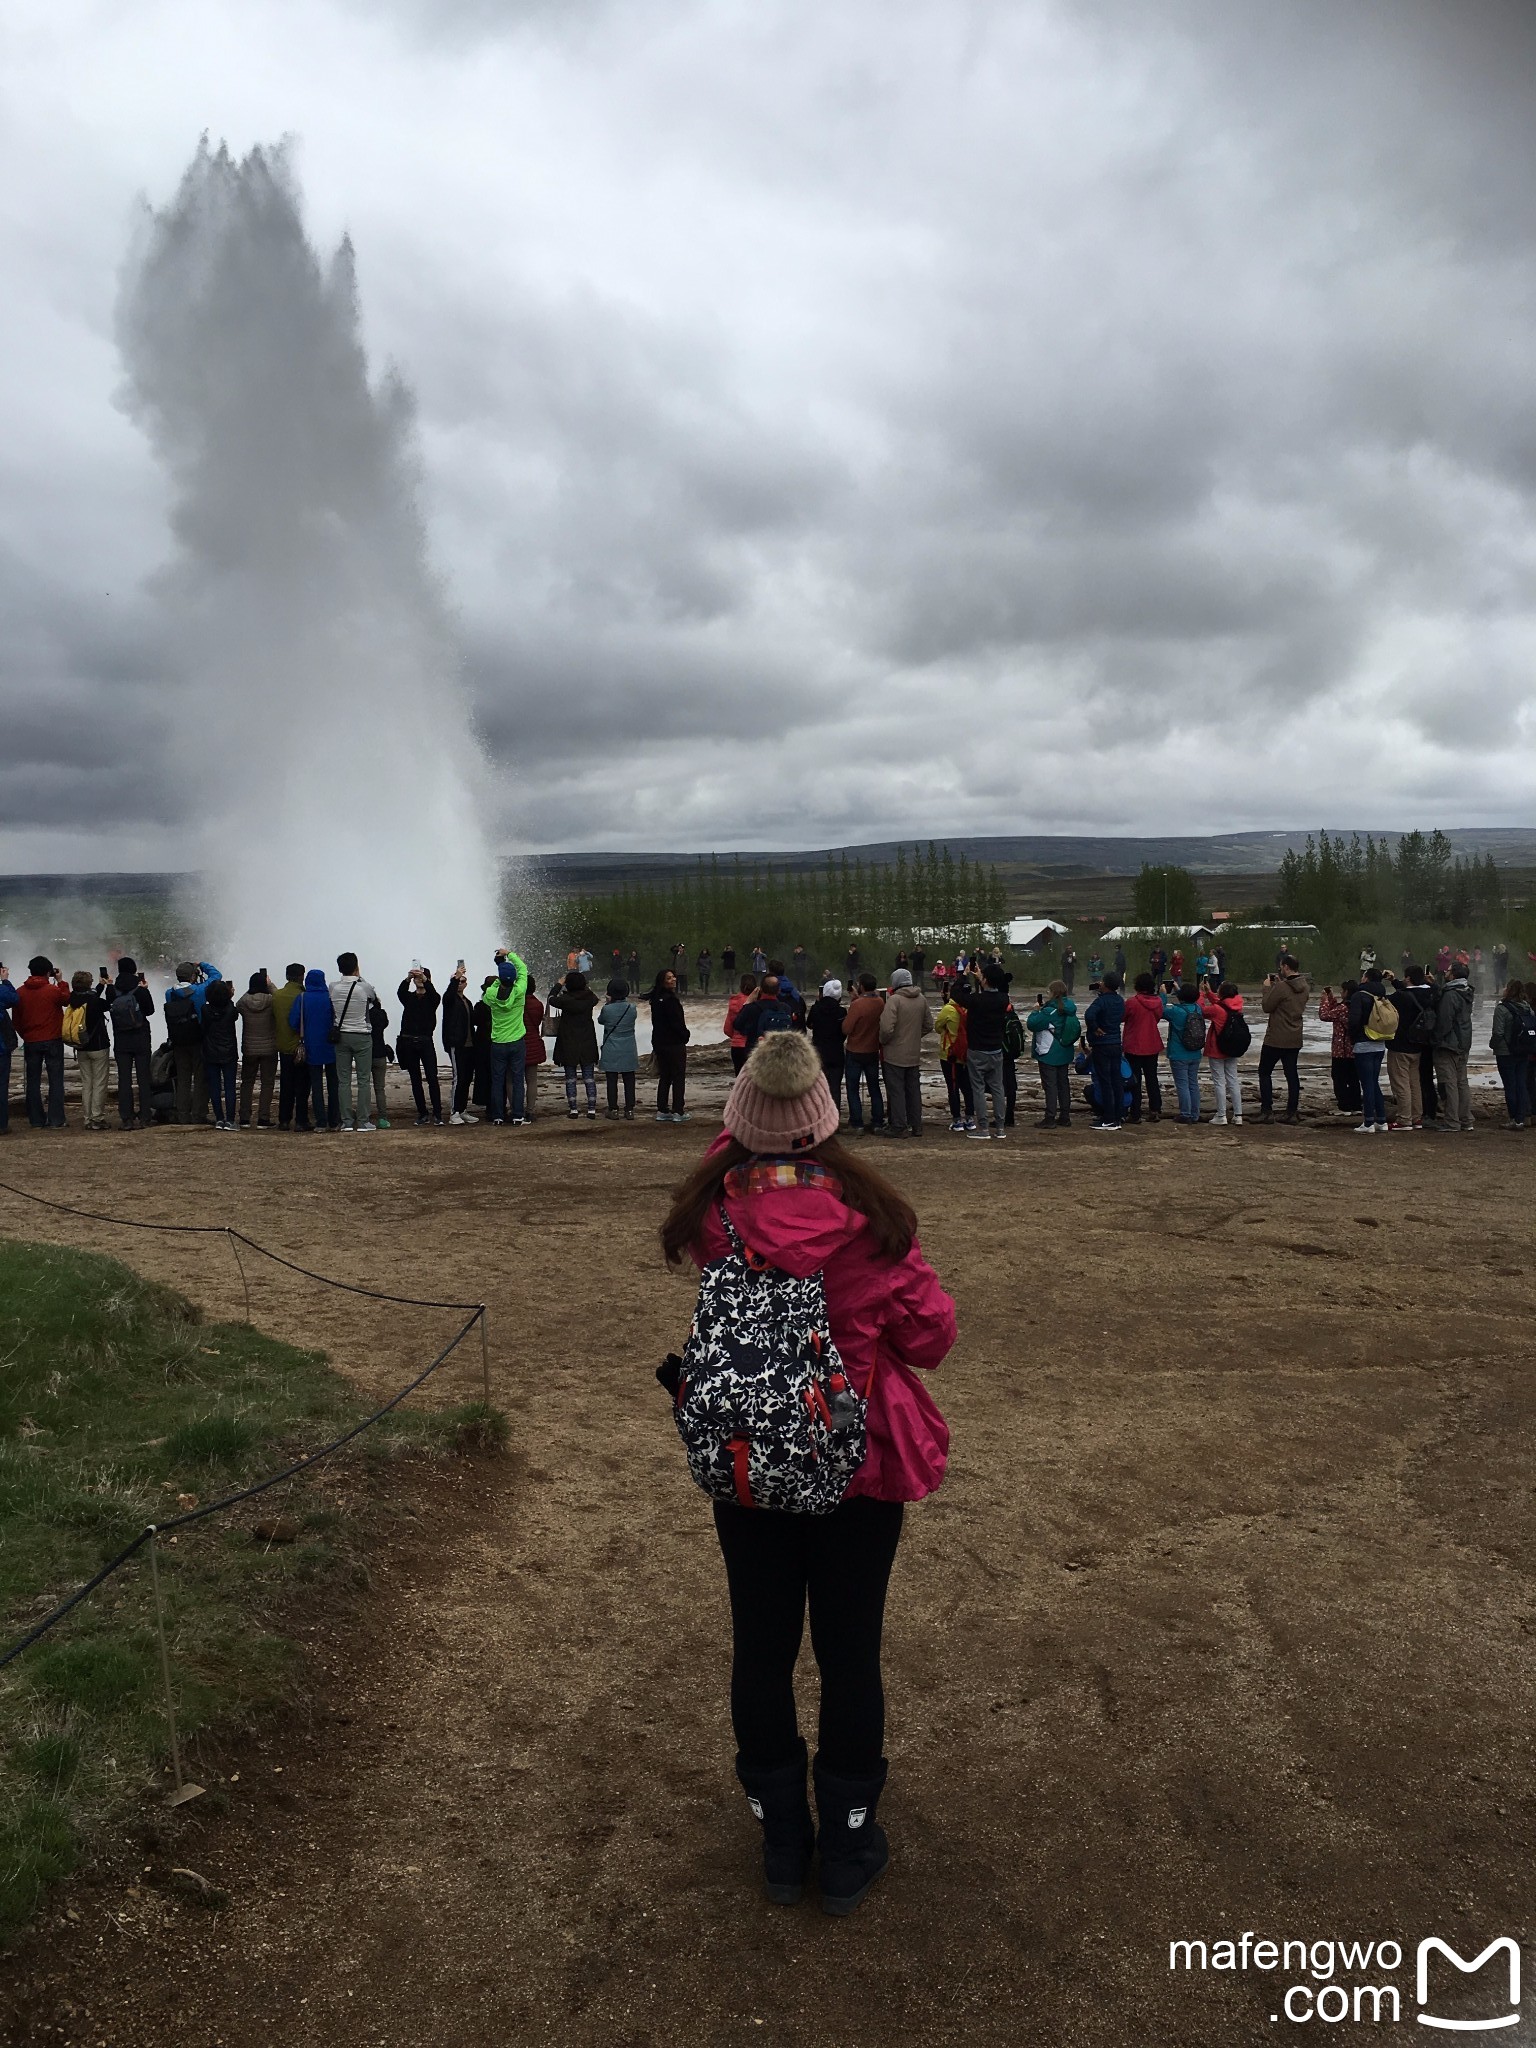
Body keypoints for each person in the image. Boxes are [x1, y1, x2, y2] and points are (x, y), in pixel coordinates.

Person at [659, 1031, 954, 1914]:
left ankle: (783, 1839)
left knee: (762, 1644)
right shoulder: (871, 1225)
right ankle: (852, 1840)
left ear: (740, 1126)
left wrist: (749, 1135)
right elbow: (933, 1340)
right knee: (849, 1649)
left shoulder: (716, 1218)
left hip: (748, 1461)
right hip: (854, 1466)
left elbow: (735, 1154)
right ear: (824, 1121)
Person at [953, 964, 1008, 1141]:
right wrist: (981, 978)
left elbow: (956, 995)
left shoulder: (976, 1000)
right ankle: (1000, 1128)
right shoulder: (1003, 999)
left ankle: (983, 1128)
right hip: (996, 1049)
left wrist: (964, 976)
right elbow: (999, 987)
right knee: (998, 1088)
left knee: (978, 1089)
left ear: (985, 980)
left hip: (977, 1050)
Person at [15, 957, 71, 1129]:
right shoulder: (52, 990)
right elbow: (66, 1000)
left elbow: (16, 1020)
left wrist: (25, 1035)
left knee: (32, 1081)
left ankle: (36, 1119)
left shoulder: (20, 992)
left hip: (31, 1040)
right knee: (55, 1080)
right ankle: (56, 1119)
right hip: (52, 1039)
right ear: (48, 972)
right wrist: (61, 981)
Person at [164, 959, 222, 1125]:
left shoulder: (170, 993)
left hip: (178, 1040)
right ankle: (199, 1114)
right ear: (192, 977)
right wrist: (202, 964)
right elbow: (217, 976)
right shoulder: (200, 990)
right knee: (200, 1078)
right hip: (198, 1038)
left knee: (182, 1079)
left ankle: (182, 1114)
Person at [879, 967, 934, 1139]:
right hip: (913, 1054)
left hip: (894, 1054)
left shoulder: (894, 1000)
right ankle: (916, 1126)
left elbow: (886, 1029)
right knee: (913, 1091)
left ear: (895, 982)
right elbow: (928, 1025)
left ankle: (899, 1126)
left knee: (896, 1091)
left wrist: (883, 1041)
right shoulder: (922, 999)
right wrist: (915, 1037)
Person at [1256, 953, 1310, 1124]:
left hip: (1276, 1037)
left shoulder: (1281, 988)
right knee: (1291, 1074)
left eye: (1281, 966)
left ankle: (1266, 1111)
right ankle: (1292, 1111)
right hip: (1294, 1036)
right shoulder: (1305, 986)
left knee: (1264, 1072)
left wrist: (1267, 988)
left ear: (1286, 967)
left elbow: (1267, 1006)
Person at [328, 953, 378, 1132]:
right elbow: (374, 999)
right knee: (364, 1079)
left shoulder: (333, 987)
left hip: (341, 1036)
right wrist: (359, 976)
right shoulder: (363, 987)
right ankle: (363, 1121)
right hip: (362, 1035)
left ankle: (347, 1121)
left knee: (344, 1081)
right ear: (356, 967)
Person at [105, 957, 156, 1130]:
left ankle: (126, 1118)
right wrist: (145, 990)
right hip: (141, 1037)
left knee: (124, 1079)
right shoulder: (139, 990)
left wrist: (107, 985)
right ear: (135, 970)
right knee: (143, 1078)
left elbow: (108, 1007)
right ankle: (145, 1117)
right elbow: (150, 1011)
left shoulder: (112, 990)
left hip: (121, 1039)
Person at [484, 948, 531, 1126]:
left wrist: (499, 974)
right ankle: (518, 1115)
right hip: (517, 1041)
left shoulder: (491, 994)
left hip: (498, 1042)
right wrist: (509, 953)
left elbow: (492, 989)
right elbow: (523, 970)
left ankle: (498, 1115)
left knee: (497, 1080)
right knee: (518, 1079)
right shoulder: (519, 991)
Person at [547, 969, 600, 1119]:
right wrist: (584, 985)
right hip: (587, 1041)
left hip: (568, 1041)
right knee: (589, 1078)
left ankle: (574, 1109)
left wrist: (558, 984)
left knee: (570, 1078)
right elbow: (594, 996)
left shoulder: (564, 1001)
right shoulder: (590, 999)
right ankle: (591, 1109)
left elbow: (551, 998)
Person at [1384, 965, 1432, 1131]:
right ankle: (1416, 1117)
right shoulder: (1428, 993)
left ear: (1408, 978)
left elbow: (1384, 1002)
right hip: (1418, 1045)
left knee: (1401, 1083)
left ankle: (1404, 1119)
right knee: (1414, 1082)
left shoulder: (1401, 996)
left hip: (1400, 1045)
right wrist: (1394, 981)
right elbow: (1410, 992)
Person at [289, 970, 339, 1130]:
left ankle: (321, 1122)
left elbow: (293, 1021)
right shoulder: (329, 998)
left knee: (316, 1086)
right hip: (330, 1045)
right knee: (333, 1085)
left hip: (311, 1045)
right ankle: (334, 1121)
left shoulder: (302, 998)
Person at [1026, 980, 1078, 1128]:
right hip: (1064, 1051)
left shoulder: (1049, 1011)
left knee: (1050, 1086)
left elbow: (1032, 1024)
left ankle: (1050, 1117)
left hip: (1049, 1052)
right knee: (1063, 1084)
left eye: (1049, 992)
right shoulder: (1069, 1008)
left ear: (1053, 993)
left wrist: (1036, 1010)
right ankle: (1065, 1116)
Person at [65, 970, 112, 1131]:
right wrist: (109, 986)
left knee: (87, 1084)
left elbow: (90, 996)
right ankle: (97, 1117)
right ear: (89, 984)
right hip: (98, 1046)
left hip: (81, 1046)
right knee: (99, 1083)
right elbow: (108, 1003)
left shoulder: (72, 999)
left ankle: (87, 1118)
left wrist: (100, 985)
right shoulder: (95, 1002)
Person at [397, 966, 443, 1125]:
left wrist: (425, 979)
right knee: (415, 1079)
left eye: (422, 977)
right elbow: (400, 993)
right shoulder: (409, 997)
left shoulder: (432, 999)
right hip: (409, 1041)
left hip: (425, 1041)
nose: (419, 979)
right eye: (417, 978)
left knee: (432, 1077)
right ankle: (422, 1113)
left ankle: (437, 1113)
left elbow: (436, 996)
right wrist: (408, 977)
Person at [841, 972, 886, 1135]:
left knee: (852, 1088)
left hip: (855, 1050)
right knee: (874, 1087)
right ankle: (877, 1122)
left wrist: (855, 1002)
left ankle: (857, 1122)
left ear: (861, 986)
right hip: (872, 1050)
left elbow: (846, 1028)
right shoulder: (880, 1002)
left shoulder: (858, 1005)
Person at [1432, 962, 1475, 1134]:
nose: (1445, 972)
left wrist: (1436, 1039)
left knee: (1449, 1083)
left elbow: (1445, 1021)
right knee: (1462, 1083)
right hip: (1464, 1042)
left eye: (1448, 971)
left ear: (1454, 975)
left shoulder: (1450, 995)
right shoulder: (1467, 992)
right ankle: (1466, 1119)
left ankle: (1452, 1121)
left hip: (1449, 1044)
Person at [1347, 969, 1391, 1133]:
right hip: (1379, 1043)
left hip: (1363, 1044)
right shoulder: (1382, 995)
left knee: (1367, 1084)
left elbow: (1353, 1021)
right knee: (1374, 1082)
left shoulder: (1359, 995)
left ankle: (1368, 1123)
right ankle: (1381, 1120)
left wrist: (1353, 1037)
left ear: (1366, 978)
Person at [1083, 970, 1127, 1132]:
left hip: (1102, 1044)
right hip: (1116, 1042)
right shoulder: (1120, 1000)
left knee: (1105, 1082)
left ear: (1105, 985)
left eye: (1102, 982)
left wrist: (1095, 1028)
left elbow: (1089, 1015)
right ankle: (1118, 1115)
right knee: (1117, 1081)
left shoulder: (1101, 1001)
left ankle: (1109, 1119)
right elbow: (1122, 1016)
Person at [1198, 977, 1246, 1127]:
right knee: (1233, 1080)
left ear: (1223, 993)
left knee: (1219, 1082)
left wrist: (1201, 994)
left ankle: (1221, 1114)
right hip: (1232, 1048)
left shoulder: (1217, 1010)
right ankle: (1238, 1115)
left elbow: (1201, 1010)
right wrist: (1210, 993)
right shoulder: (1237, 1005)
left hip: (1217, 1049)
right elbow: (1220, 1003)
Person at [271, 963, 311, 1133]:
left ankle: (284, 1120)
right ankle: (301, 1121)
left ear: (287, 976)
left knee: (286, 1085)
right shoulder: (304, 996)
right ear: (302, 976)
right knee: (302, 1086)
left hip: (283, 1046)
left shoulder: (277, 996)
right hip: (302, 1049)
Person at [235, 971, 278, 1127]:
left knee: (247, 1082)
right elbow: (280, 998)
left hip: (249, 1048)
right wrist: (270, 985)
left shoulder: (244, 1001)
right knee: (267, 1083)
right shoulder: (272, 1000)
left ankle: (244, 1118)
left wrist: (250, 989)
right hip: (269, 1048)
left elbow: (237, 1004)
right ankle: (263, 1118)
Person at [1122, 973, 1166, 1124]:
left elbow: (1123, 1017)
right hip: (1152, 1043)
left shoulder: (1132, 1002)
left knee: (1134, 1080)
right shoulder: (1158, 1002)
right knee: (1152, 1078)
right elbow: (1158, 1017)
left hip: (1134, 1044)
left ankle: (1135, 1113)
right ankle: (1155, 1109)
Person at [1489, 980, 1533, 1128]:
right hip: (1524, 1051)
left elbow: (1498, 1032)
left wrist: (1493, 1046)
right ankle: (1521, 1118)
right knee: (1521, 1083)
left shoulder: (1502, 1009)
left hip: (1505, 1052)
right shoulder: (1527, 1008)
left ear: (1509, 990)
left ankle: (1514, 1118)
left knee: (1510, 1085)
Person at [1160, 980, 1204, 1125]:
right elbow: (1188, 999)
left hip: (1179, 1053)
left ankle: (1185, 1114)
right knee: (1193, 1084)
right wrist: (1179, 990)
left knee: (1182, 1085)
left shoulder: (1176, 1011)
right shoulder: (1198, 1009)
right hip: (1195, 1052)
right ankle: (1195, 1114)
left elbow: (1160, 1010)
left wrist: (1163, 995)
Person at [649, 968, 691, 1122]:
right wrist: (685, 1035)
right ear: (662, 981)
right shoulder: (671, 1000)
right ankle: (678, 1111)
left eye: (673, 977)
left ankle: (662, 1109)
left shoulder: (655, 999)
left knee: (665, 1076)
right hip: (674, 1043)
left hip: (659, 1042)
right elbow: (676, 1023)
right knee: (678, 1076)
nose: (673, 979)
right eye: (669, 978)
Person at [934, 977, 975, 1133]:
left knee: (953, 1087)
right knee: (968, 1087)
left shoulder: (948, 1009)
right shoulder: (971, 1008)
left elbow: (937, 1027)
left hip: (949, 1055)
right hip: (967, 1053)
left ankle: (957, 1120)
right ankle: (970, 1119)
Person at [1317, 982, 1363, 1118]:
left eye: (1342, 991)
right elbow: (1333, 1011)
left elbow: (1324, 1015)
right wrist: (1331, 998)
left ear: (1347, 992)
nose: (1341, 993)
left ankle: (1344, 1106)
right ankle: (1356, 1105)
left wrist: (1324, 1001)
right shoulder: (1355, 1007)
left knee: (1339, 1079)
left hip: (1340, 1050)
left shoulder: (1343, 1008)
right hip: (1354, 1049)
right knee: (1354, 1079)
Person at [200, 978, 239, 1131]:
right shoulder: (230, 1009)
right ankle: (230, 1120)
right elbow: (234, 1014)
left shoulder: (205, 1009)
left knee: (215, 1087)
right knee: (230, 1087)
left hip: (210, 1051)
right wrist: (230, 998)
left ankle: (219, 1119)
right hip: (228, 1052)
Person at [806, 978, 847, 1117]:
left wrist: (818, 1001)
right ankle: (834, 1118)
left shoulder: (816, 1009)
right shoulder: (841, 1012)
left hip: (819, 1052)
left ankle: (819, 1116)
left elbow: (809, 1024)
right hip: (836, 1053)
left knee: (819, 1087)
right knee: (835, 1087)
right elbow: (844, 1032)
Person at [599, 978, 639, 1119]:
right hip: (629, 1047)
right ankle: (629, 1110)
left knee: (611, 1080)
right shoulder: (632, 1008)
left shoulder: (607, 1009)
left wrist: (608, 1003)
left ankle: (613, 1109)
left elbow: (601, 1020)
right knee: (629, 1079)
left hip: (611, 1047)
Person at [443, 964, 477, 1125]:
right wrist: (455, 977)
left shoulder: (467, 1001)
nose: (460, 983)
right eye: (457, 981)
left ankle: (462, 1110)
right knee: (459, 1077)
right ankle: (454, 1112)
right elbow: (448, 995)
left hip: (469, 1045)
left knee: (467, 1078)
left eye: (463, 981)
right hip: (456, 1043)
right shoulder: (450, 1000)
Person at [739, 975, 796, 1054]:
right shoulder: (786, 1009)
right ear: (778, 990)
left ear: (761, 989)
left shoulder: (751, 1008)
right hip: (780, 1053)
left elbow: (737, 1025)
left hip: (756, 1054)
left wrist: (747, 1002)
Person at [367, 988, 394, 1129]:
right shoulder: (380, 1014)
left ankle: (364, 1117)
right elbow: (385, 1024)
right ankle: (383, 1118)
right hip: (380, 1052)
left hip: (365, 1054)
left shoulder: (362, 1015)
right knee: (380, 1088)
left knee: (364, 1087)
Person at [522, 976, 547, 1122]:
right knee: (532, 1080)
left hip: (516, 1042)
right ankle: (530, 1110)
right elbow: (537, 1023)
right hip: (532, 1042)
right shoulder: (537, 1004)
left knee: (513, 1079)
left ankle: (516, 1109)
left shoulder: (515, 1003)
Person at [724, 972, 756, 1075]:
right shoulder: (757, 1003)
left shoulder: (734, 1001)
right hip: (753, 1046)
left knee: (739, 1079)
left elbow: (727, 1029)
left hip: (736, 1046)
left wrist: (735, 1036)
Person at [0, 964, 15, 1137]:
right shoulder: (2, 991)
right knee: (2, 1086)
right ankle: (2, 1124)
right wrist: (5, 981)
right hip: (1, 1048)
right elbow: (14, 999)